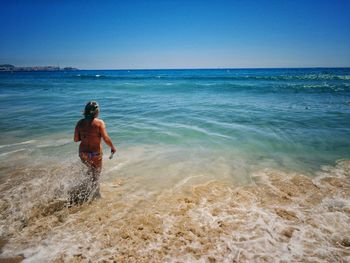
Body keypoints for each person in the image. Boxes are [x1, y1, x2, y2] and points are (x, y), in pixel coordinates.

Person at [73, 101, 116, 202]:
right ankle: (95, 196)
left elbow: (75, 139)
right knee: (96, 175)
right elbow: (105, 138)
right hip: (95, 154)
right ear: (96, 111)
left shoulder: (80, 123)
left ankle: (84, 191)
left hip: (83, 154)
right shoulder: (99, 123)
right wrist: (112, 147)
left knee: (89, 171)